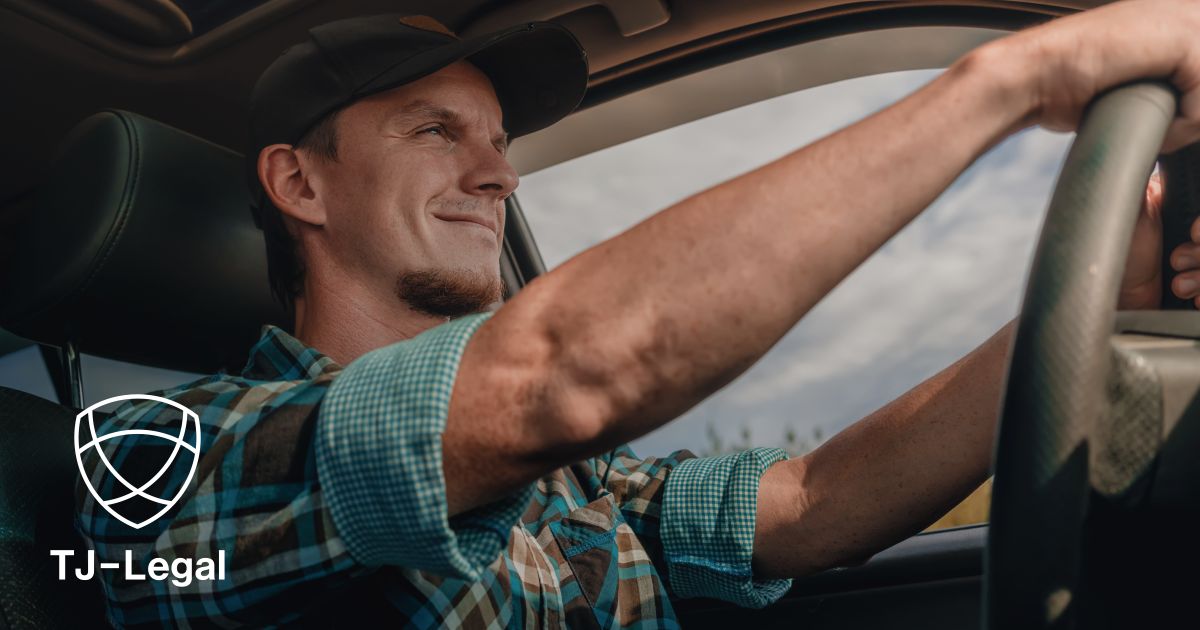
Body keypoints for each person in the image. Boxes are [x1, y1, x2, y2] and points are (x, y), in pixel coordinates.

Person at [75, 2, 1200, 627]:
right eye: (435, 133)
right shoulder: (171, 459)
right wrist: (1002, 83)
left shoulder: (575, 485)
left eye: (499, 143)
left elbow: (813, 502)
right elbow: (549, 382)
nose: (496, 177)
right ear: (300, 185)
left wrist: (1109, 307)